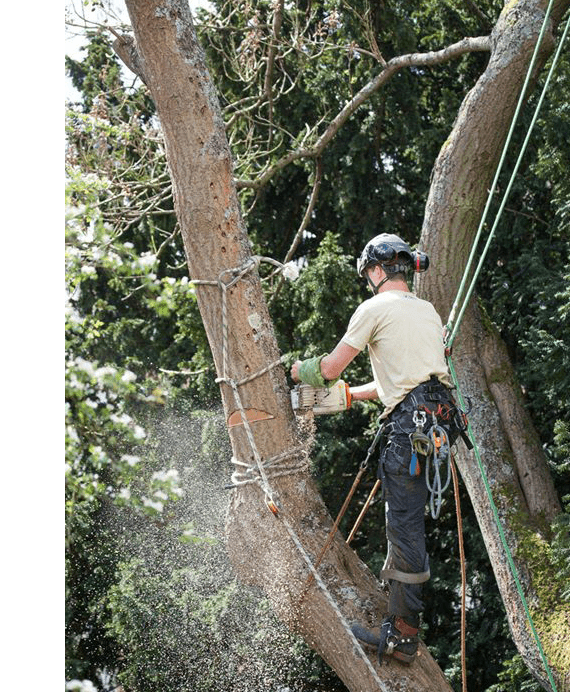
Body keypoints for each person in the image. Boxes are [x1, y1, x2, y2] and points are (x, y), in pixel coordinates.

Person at [291, 233, 464, 664]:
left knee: (403, 528)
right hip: (437, 423)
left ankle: (402, 634)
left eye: (368, 272)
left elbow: (329, 368)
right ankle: (402, 621)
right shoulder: (427, 312)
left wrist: (299, 371)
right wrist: (349, 397)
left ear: (376, 269)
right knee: (406, 524)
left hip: (410, 428)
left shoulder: (373, 309)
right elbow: (403, 381)